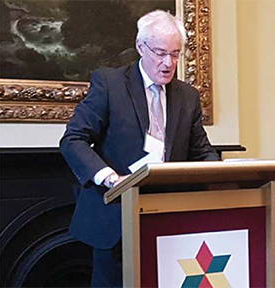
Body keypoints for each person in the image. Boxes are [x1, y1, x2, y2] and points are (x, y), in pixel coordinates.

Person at [59, 10, 219, 287]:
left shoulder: (187, 96)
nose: (168, 63)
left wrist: (226, 176)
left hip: (168, 219)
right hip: (117, 217)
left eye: (175, 54)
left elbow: (200, 150)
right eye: (160, 53)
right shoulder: (110, 83)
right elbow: (73, 139)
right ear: (140, 47)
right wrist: (110, 178)